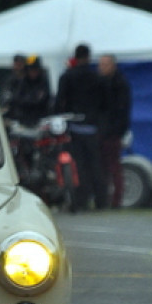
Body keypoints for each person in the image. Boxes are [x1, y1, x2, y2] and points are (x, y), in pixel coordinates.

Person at [55, 44, 106, 210]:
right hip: (92, 126)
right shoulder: (96, 77)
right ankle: (101, 200)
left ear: (75, 57)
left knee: (78, 165)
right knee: (96, 166)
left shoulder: (68, 76)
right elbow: (103, 103)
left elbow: (59, 101)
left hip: (74, 126)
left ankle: (80, 200)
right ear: (88, 57)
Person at [98, 55, 131, 208]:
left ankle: (116, 199)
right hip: (103, 130)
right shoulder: (102, 83)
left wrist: (117, 130)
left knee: (113, 166)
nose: (102, 67)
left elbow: (122, 110)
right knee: (104, 166)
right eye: (101, 64)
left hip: (112, 131)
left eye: (105, 64)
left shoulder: (119, 84)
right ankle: (105, 197)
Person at [14, 55, 52, 127]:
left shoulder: (43, 82)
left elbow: (42, 100)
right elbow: (18, 99)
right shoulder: (24, 82)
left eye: (34, 70)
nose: (32, 73)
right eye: (30, 70)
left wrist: (30, 100)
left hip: (40, 119)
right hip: (24, 119)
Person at [0, 54, 27, 122]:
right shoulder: (9, 80)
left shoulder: (29, 82)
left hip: (25, 116)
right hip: (11, 116)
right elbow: (4, 97)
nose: (17, 67)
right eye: (16, 64)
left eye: (20, 64)